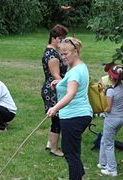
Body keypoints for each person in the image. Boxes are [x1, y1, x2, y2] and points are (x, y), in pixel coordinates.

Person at [48, 37, 92, 180]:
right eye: (61, 53)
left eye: (66, 53)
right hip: (79, 114)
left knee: (70, 152)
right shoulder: (79, 67)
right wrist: (58, 83)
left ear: (76, 52)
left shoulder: (74, 72)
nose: (63, 56)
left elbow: (71, 93)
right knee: (74, 150)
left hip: (74, 116)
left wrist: (55, 108)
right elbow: (70, 86)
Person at [41, 24, 68, 156]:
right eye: (61, 39)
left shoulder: (54, 52)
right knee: (57, 119)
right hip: (53, 89)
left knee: (56, 118)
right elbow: (56, 76)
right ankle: (54, 149)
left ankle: (50, 143)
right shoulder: (52, 56)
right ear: (54, 38)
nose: (63, 42)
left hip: (54, 88)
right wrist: (69, 86)